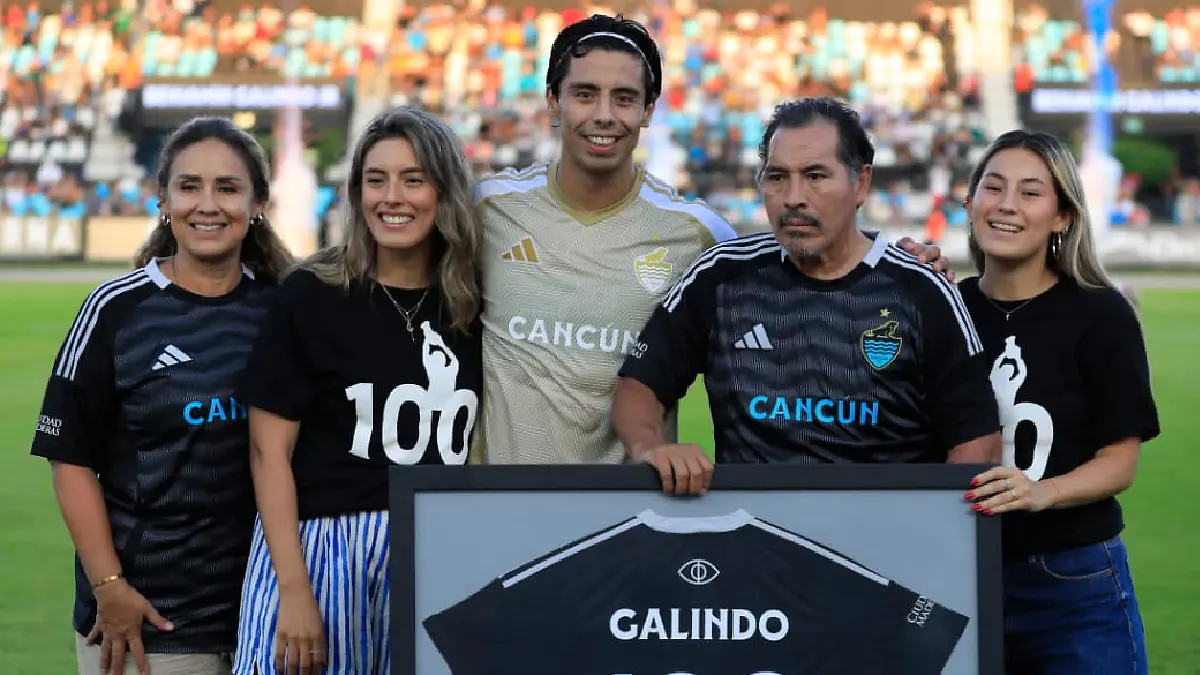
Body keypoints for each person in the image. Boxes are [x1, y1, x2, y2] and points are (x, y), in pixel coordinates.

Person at [471, 15, 949, 465]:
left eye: (623, 97)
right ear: (553, 102)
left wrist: (902, 259)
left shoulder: (699, 233)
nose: (603, 114)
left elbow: (809, 258)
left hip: (622, 524)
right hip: (502, 513)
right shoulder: (488, 209)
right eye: (584, 93)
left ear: (647, 110)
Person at [611, 97, 1002, 495]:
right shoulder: (722, 276)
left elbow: (978, 444)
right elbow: (639, 384)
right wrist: (650, 446)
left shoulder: (922, 289)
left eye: (815, 176)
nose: (793, 196)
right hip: (755, 542)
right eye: (778, 177)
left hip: (881, 548)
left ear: (860, 183)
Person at [30, 116, 292, 675]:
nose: (208, 204)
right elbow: (69, 458)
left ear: (258, 203)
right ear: (163, 201)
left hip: (266, 618)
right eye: (189, 186)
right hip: (150, 626)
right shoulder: (115, 310)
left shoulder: (284, 310)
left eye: (228, 187)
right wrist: (110, 588)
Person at [231, 107, 483, 675]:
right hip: (322, 550)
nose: (392, 197)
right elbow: (269, 452)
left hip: (436, 552)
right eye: (376, 180)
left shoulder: (474, 305)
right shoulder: (313, 295)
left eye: (413, 179)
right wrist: (293, 589)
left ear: (444, 190)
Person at [956, 130, 1159, 675]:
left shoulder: (1102, 315)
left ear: (1063, 215)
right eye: (992, 187)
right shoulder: (941, 307)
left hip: (1073, 583)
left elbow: (1120, 462)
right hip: (956, 576)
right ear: (969, 200)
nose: (1006, 205)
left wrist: (1040, 493)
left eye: (1030, 192)